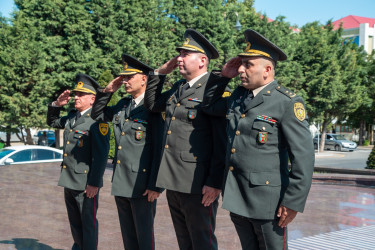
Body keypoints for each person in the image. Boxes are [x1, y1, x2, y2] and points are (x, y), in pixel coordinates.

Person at [201, 29, 315, 250]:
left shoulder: (286, 102)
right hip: (238, 196)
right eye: (241, 63)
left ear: (267, 70)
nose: (241, 69)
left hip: (268, 203)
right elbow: (209, 107)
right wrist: (223, 77)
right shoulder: (238, 97)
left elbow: (303, 157)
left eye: (248, 64)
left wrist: (292, 202)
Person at [144, 29, 228, 250]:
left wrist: (215, 181)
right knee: (185, 241)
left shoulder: (215, 88)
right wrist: (160, 74)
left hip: (198, 184)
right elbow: (152, 105)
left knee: (202, 242)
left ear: (202, 60)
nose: (179, 59)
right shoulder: (179, 88)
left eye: (185, 54)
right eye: (179, 54)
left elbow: (221, 141)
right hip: (173, 179)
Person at [91, 54, 163, 250]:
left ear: (144, 79)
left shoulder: (153, 108)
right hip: (121, 181)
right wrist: (106, 93)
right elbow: (96, 115)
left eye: (129, 77)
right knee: (129, 239)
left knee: (144, 239)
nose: (124, 81)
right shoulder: (123, 104)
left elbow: (159, 148)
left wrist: (156, 185)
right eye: (123, 77)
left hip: (142, 185)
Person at [47, 73, 110, 250]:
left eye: (81, 94)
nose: (76, 97)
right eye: (75, 94)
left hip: (85, 184)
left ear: (92, 99)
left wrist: (94, 183)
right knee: (75, 224)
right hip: (69, 180)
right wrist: (56, 105)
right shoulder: (72, 117)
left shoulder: (98, 120)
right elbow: (53, 121)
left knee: (88, 225)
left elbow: (101, 155)